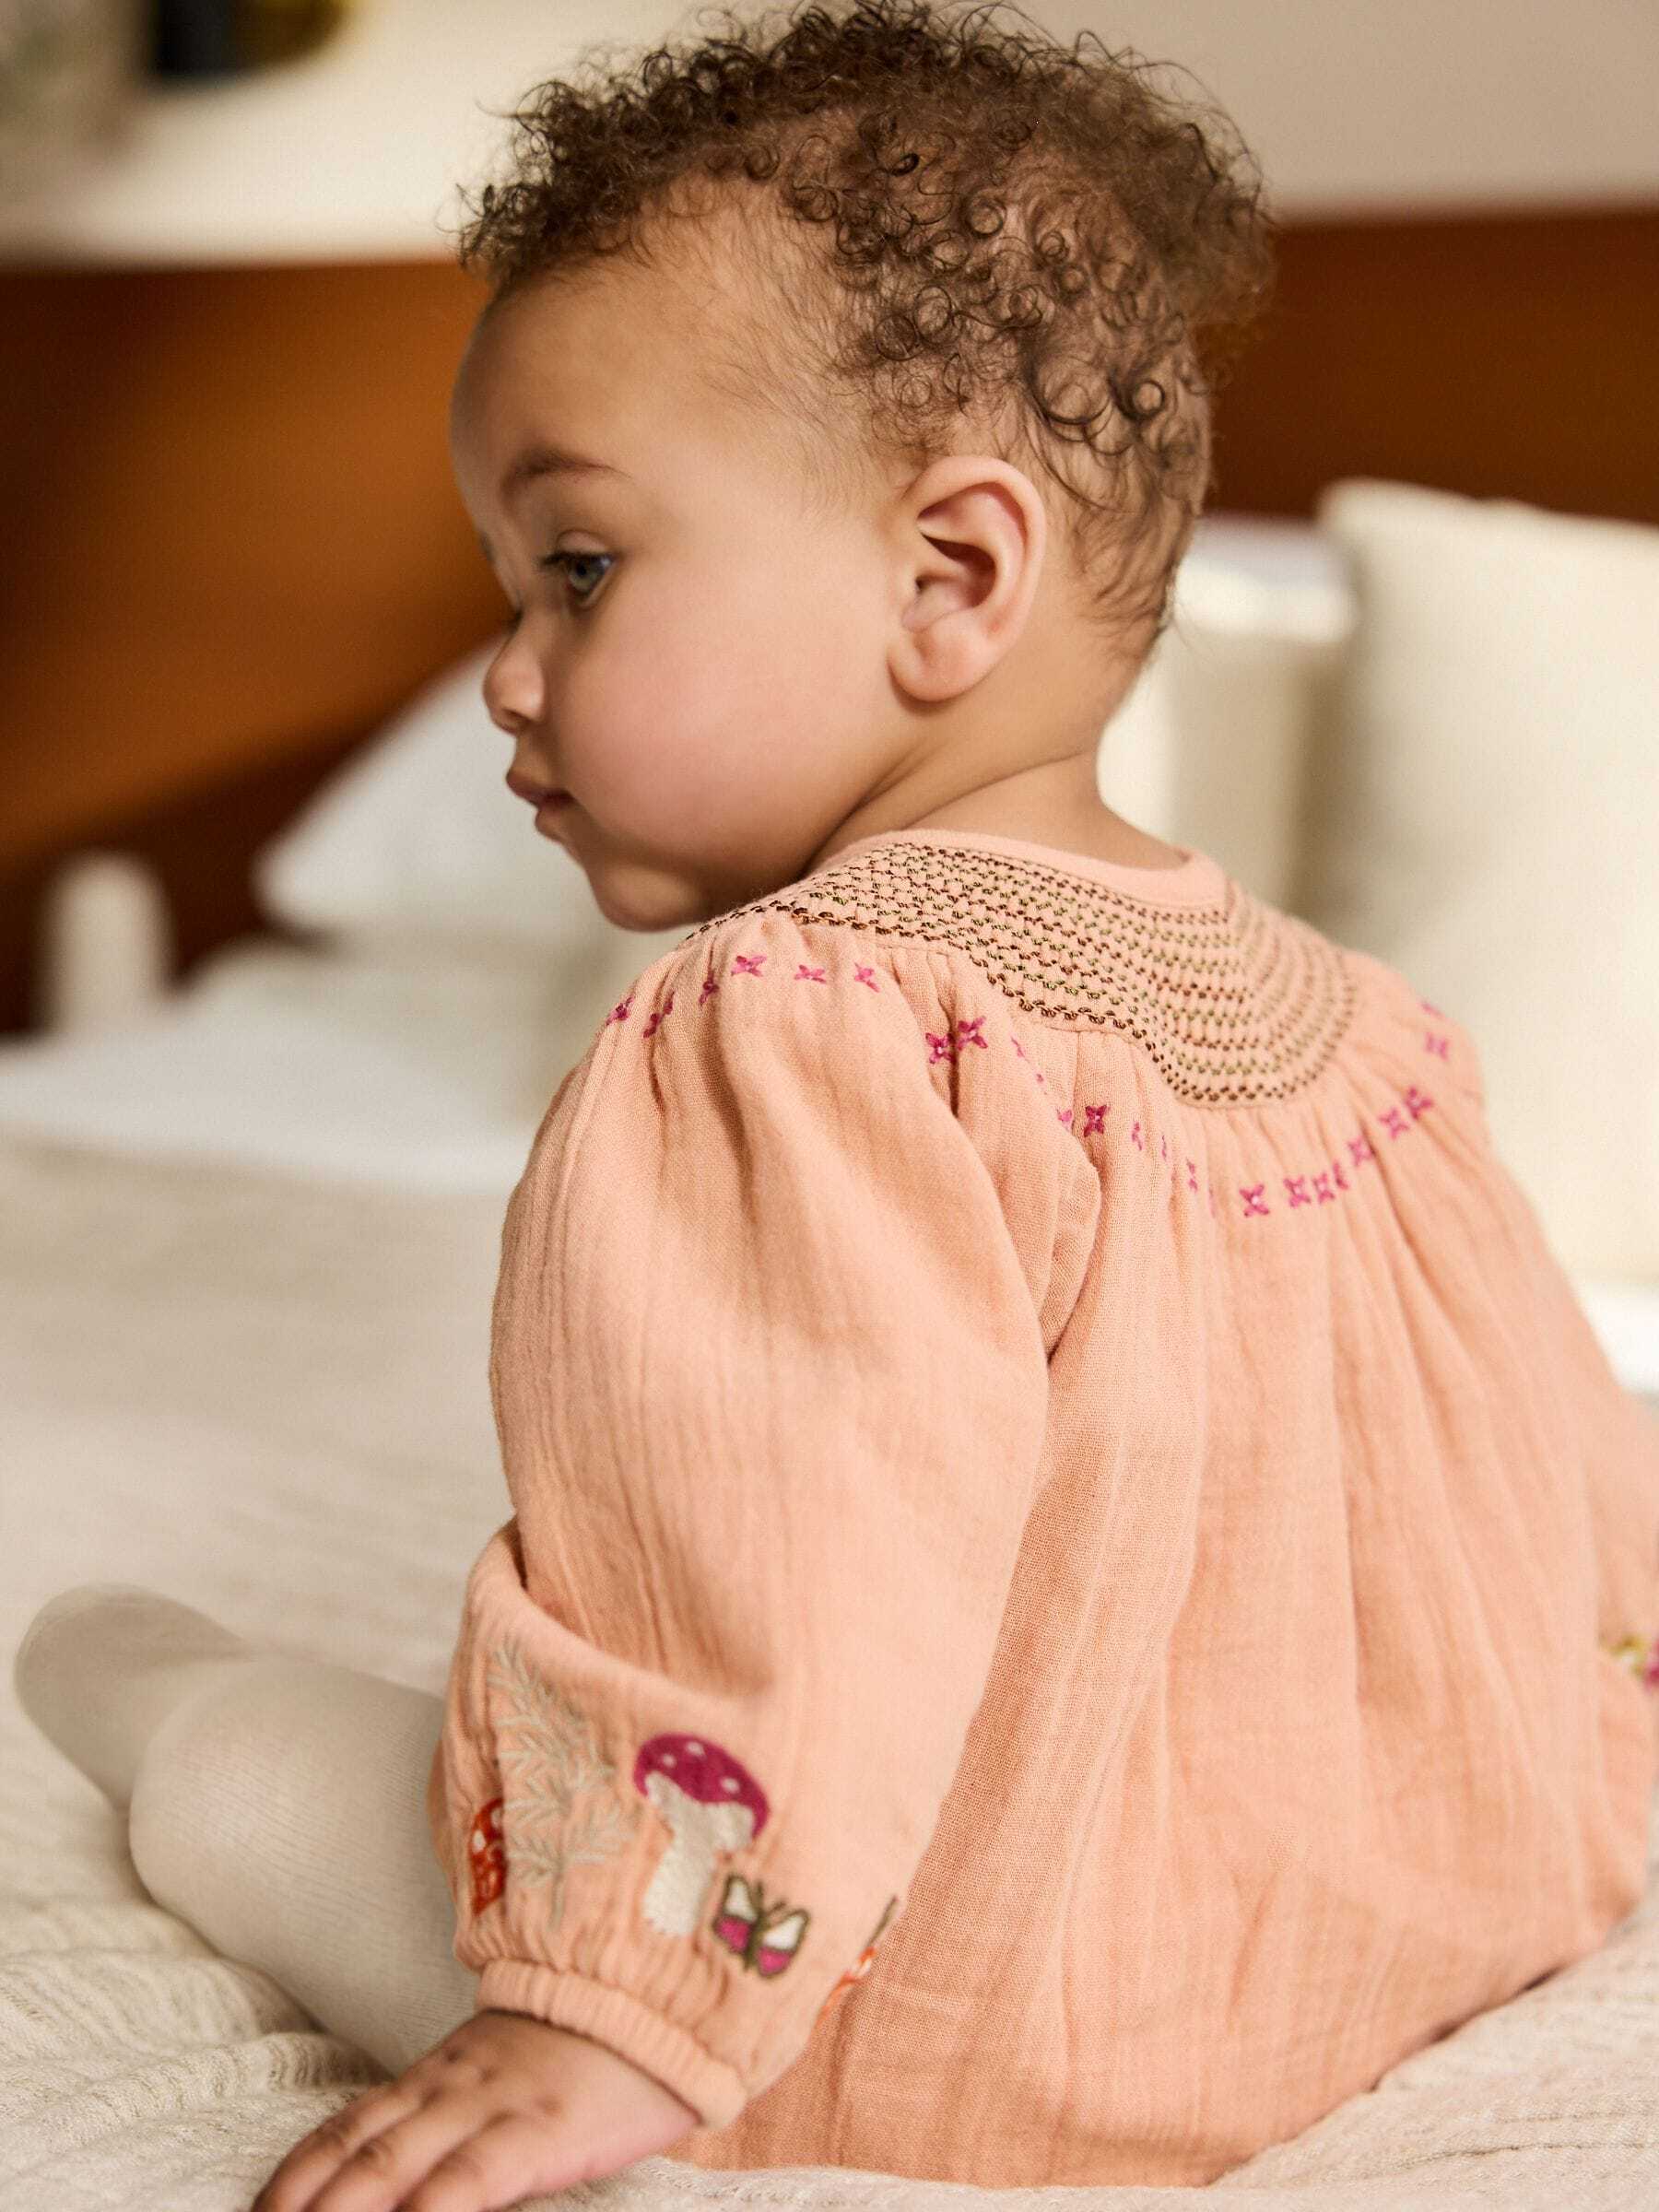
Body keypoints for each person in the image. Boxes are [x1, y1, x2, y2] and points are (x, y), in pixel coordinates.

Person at [15, 0, 1659, 2203]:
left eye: (578, 569)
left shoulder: (799, 1027)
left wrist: (611, 2018)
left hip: (928, 2037)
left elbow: (772, 1574)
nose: (505, 674)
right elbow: (1568, 1502)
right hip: (1389, 1938)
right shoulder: (1369, 1038)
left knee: (268, 1783)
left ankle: (134, 1681)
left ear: (951, 578)